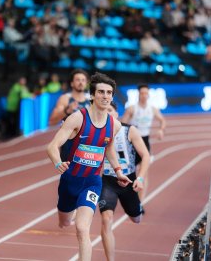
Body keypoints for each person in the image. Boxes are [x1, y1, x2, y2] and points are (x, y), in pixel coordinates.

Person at [46, 72, 132, 261]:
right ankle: (69, 212)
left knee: (82, 229)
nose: (105, 96)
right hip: (70, 180)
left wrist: (118, 171)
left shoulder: (114, 125)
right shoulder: (77, 118)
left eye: (109, 92)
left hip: (92, 182)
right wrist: (58, 163)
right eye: (101, 92)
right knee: (66, 222)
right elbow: (52, 146)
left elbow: (108, 147)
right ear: (92, 95)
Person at [99, 101, 150, 261]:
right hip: (108, 181)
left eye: (110, 111)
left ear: (116, 114)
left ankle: (137, 207)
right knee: (106, 219)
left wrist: (140, 178)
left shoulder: (129, 130)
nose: (107, 114)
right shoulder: (96, 133)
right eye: (104, 111)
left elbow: (146, 156)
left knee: (136, 218)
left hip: (129, 180)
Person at [120, 83, 166, 201]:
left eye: (146, 93)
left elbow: (162, 120)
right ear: (138, 94)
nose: (144, 95)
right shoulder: (132, 109)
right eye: (142, 93)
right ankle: (129, 196)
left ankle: (140, 202)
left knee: (144, 173)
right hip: (132, 142)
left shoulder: (153, 109)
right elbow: (122, 124)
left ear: (149, 95)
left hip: (145, 141)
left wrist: (161, 130)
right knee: (130, 171)